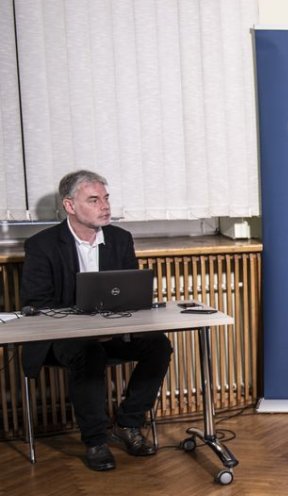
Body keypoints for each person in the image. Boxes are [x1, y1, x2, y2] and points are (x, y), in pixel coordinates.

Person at [20, 170, 173, 472]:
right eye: (94, 200)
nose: (105, 206)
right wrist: (83, 321)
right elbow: (37, 303)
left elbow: (129, 293)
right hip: (63, 337)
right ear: (69, 205)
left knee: (158, 346)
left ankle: (128, 423)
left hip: (113, 331)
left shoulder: (120, 239)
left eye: (106, 198)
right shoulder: (42, 245)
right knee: (88, 353)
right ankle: (95, 441)